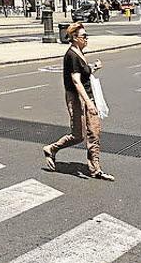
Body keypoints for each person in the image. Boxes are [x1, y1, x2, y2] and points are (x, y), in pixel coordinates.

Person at [42, 22, 115, 181]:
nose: (87, 38)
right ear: (74, 38)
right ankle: (51, 149)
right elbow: (76, 81)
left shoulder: (79, 52)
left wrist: (94, 67)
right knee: (78, 135)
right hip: (77, 98)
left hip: (88, 96)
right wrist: (88, 102)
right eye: (84, 36)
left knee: (94, 132)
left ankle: (95, 169)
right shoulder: (72, 55)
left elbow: (84, 72)